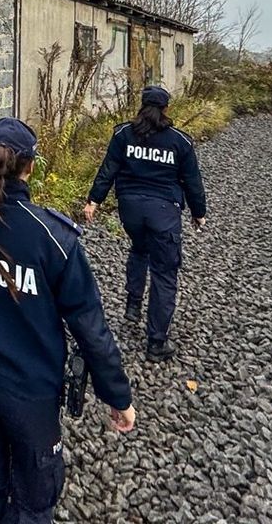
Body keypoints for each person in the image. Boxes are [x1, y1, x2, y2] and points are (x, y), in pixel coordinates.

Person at [0, 117, 135, 524]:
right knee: (35, 498)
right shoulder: (54, 238)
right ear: (30, 167)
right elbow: (89, 325)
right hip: (31, 391)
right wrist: (117, 397)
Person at [83, 85, 207, 363]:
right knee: (164, 272)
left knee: (140, 249)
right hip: (163, 212)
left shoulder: (123, 135)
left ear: (141, 106)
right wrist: (198, 212)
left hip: (130, 210)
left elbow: (108, 169)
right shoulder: (180, 142)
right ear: (166, 109)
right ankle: (156, 342)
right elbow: (192, 181)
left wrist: (94, 201)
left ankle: (133, 303)